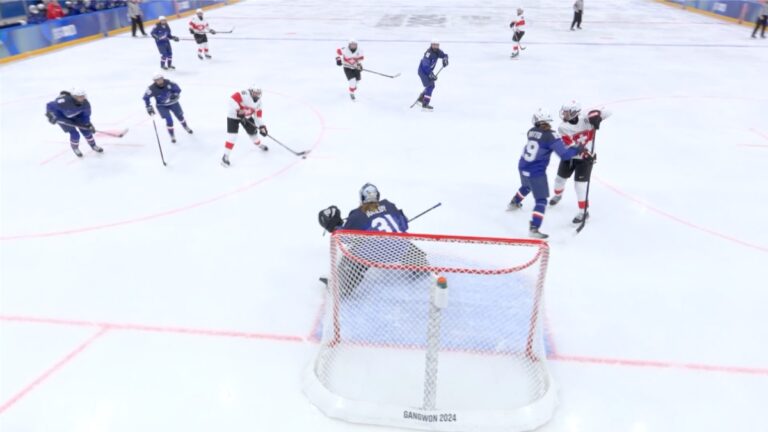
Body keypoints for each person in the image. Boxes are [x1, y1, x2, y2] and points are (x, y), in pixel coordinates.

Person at [318, 183, 428, 295]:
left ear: (361, 198)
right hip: (399, 251)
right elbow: (404, 225)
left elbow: (345, 238)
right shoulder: (389, 205)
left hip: (372, 254)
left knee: (351, 254)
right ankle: (421, 268)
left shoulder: (357, 215)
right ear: (378, 195)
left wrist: (334, 226)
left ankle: (340, 287)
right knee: (403, 242)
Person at [507, 108, 588, 239]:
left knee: (526, 186)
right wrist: (577, 148)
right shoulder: (551, 135)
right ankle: (534, 228)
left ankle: (514, 202)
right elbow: (565, 155)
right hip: (536, 171)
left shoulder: (531, 131)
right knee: (541, 200)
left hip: (522, 166)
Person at [548, 101, 609, 224]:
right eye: (563, 112)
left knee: (580, 187)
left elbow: (607, 111)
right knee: (559, 180)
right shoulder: (563, 127)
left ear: (575, 113)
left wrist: (595, 116)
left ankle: (583, 212)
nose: (564, 114)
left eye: (567, 112)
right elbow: (571, 145)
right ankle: (558, 195)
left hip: (585, 161)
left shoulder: (586, 119)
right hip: (570, 157)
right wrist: (584, 152)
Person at [45, 89, 103, 158]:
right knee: (75, 134)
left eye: (83, 96)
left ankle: (93, 146)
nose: (82, 98)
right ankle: (75, 148)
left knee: (87, 131)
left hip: (75, 116)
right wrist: (51, 114)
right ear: (74, 97)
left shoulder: (86, 104)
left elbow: (86, 115)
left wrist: (88, 124)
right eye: (79, 96)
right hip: (62, 118)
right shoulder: (63, 101)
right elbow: (50, 105)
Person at [221, 85, 269, 167]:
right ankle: (225, 156)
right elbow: (232, 99)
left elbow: (258, 117)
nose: (257, 95)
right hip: (233, 116)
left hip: (247, 117)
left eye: (258, 93)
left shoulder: (259, 103)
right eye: (255, 93)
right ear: (251, 91)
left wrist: (262, 127)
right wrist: (238, 110)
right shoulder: (244, 94)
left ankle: (259, 145)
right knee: (232, 137)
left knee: (253, 132)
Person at [143, 73, 193, 143]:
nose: (160, 81)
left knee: (180, 116)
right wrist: (148, 106)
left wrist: (175, 94)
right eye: (157, 80)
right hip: (161, 106)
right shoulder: (151, 88)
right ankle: (172, 135)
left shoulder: (169, 83)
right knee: (169, 120)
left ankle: (185, 127)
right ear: (155, 81)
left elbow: (178, 89)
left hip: (173, 103)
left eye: (161, 79)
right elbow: (145, 97)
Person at [416, 40, 448, 110]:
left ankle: (421, 98)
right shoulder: (428, 53)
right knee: (430, 85)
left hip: (429, 71)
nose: (436, 46)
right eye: (434, 44)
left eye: (437, 45)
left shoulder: (438, 51)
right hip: (423, 71)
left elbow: (444, 55)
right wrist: (430, 74)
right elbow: (425, 65)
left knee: (430, 85)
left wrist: (445, 59)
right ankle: (425, 104)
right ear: (431, 45)